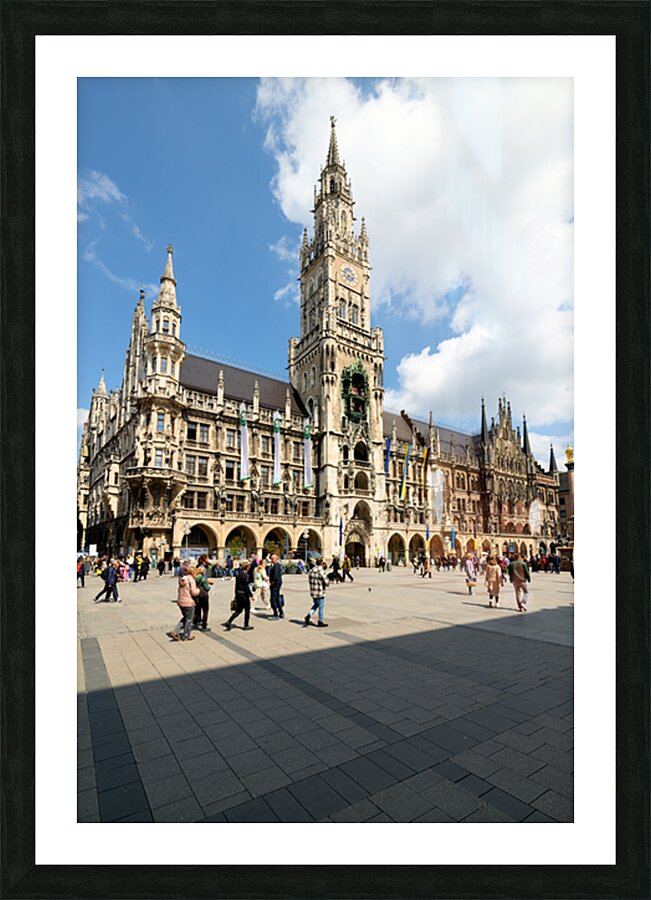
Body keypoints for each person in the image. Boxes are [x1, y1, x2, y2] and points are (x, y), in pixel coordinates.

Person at [169, 565, 199, 641]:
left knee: (186, 618)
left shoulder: (182, 579)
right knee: (189, 619)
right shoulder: (191, 580)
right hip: (189, 602)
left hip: (181, 601)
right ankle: (186, 636)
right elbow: (194, 592)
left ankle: (175, 631)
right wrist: (198, 590)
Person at [223, 560, 253, 630]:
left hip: (239, 594)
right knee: (247, 610)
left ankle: (229, 621)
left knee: (238, 610)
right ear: (247, 567)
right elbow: (246, 586)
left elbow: (236, 586)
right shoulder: (246, 575)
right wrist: (251, 595)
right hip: (244, 595)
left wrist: (236, 594)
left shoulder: (239, 574)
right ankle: (246, 625)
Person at [303, 559, 329, 628]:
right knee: (321, 606)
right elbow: (326, 581)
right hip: (320, 591)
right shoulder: (321, 571)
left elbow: (309, 580)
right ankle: (320, 621)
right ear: (322, 563)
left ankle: (309, 615)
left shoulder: (311, 570)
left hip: (313, 591)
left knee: (316, 604)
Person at [193, 565, 212, 631]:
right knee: (205, 610)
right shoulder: (203, 578)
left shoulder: (195, 577)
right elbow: (206, 587)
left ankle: (195, 621)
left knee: (197, 609)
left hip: (197, 594)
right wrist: (209, 587)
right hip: (203, 595)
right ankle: (204, 625)